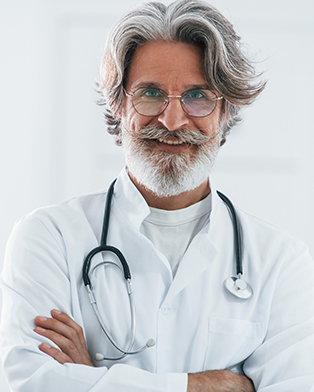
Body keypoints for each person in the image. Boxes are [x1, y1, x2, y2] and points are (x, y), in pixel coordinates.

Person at [1, 0, 314, 391]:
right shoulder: (48, 237)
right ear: (117, 105)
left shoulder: (280, 261)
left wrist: (95, 381)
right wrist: (210, 386)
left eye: (198, 95)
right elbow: (32, 384)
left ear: (226, 112)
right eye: (150, 93)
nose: (172, 120)